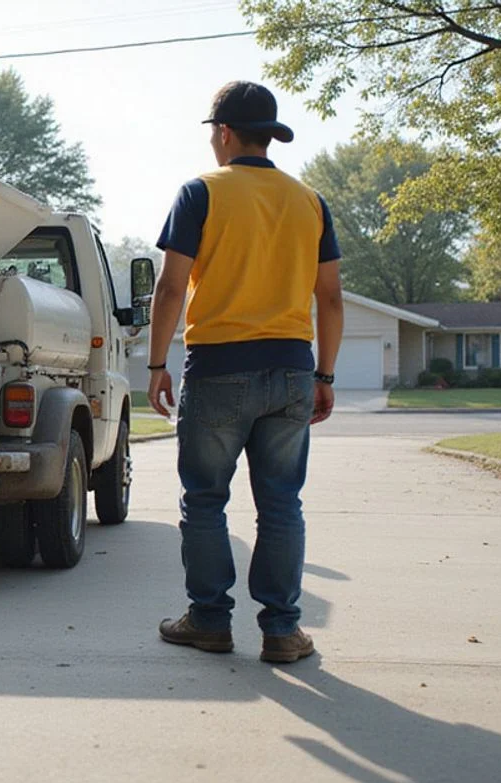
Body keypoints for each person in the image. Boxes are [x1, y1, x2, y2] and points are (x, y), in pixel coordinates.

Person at [146, 81, 344, 664]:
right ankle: (282, 631)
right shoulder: (309, 200)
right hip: (290, 370)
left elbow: (171, 285)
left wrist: (157, 365)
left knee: (205, 500)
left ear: (225, 132)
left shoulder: (200, 193)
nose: (212, 141)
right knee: (281, 503)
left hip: (218, 371)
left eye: (213, 132)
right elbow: (330, 298)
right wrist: (325, 376)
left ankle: (209, 620)